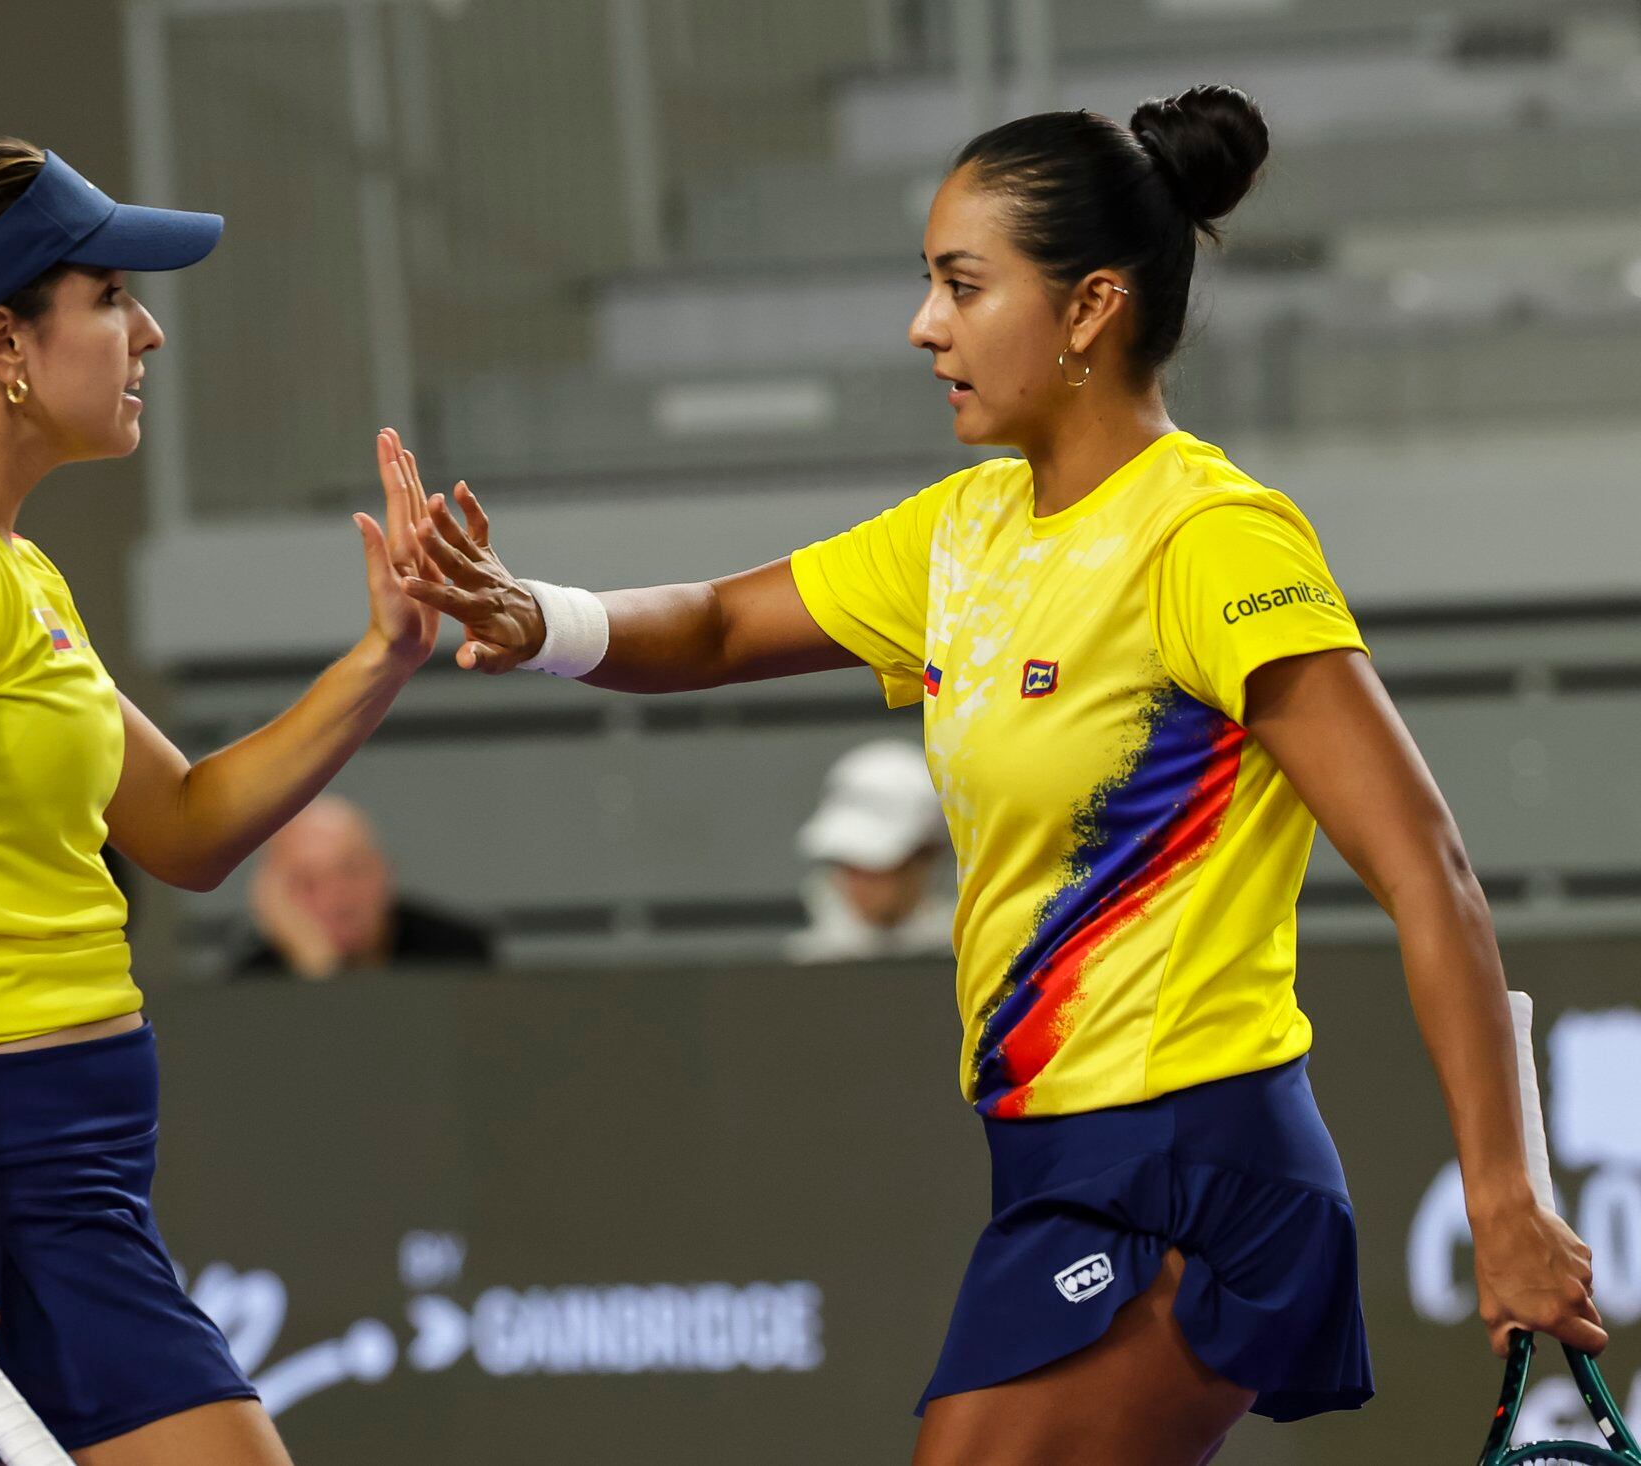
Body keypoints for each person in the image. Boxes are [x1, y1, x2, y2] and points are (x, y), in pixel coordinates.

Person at [371, 86, 1604, 1465]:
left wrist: (1503, 1197)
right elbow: (718, 624)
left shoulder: (1214, 540)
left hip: (1195, 1165)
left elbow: (1424, 863)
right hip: (1050, 1160)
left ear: (1089, 308)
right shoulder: (964, 534)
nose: (925, 326)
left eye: (963, 286)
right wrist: (539, 617)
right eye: (927, 285)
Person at [0, 140, 440, 1465]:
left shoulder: (8, 568)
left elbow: (190, 825)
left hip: (67, 1189)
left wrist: (383, 654)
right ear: (4, 343)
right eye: (109, 296)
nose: (147, 327)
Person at [232, 795, 494, 978]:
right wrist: (317, 969)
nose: (335, 897)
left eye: (352, 870)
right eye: (307, 882)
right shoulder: (254, 982)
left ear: (386, 872)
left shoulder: (456, 957)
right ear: (276, 898)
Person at [786, 739, 954, 964]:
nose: (858, 881)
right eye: (845, 861)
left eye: (875, 865)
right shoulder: (804, 967)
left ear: (928, 856)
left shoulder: (980, 970)